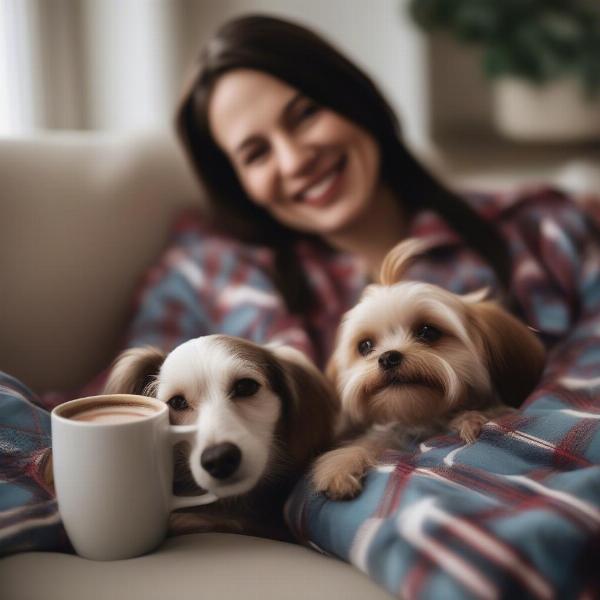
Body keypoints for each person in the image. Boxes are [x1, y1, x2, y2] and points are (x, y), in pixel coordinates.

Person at [2, 13, 599, 597]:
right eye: (256, 153)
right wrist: (55, 461)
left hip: (521, 469)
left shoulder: (537, 227)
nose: (294, 160)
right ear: (238, 182)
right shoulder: (213, 270)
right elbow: (115, 409)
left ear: (353, 100)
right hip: (361, 501)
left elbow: (588, 381)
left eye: (305, 114)